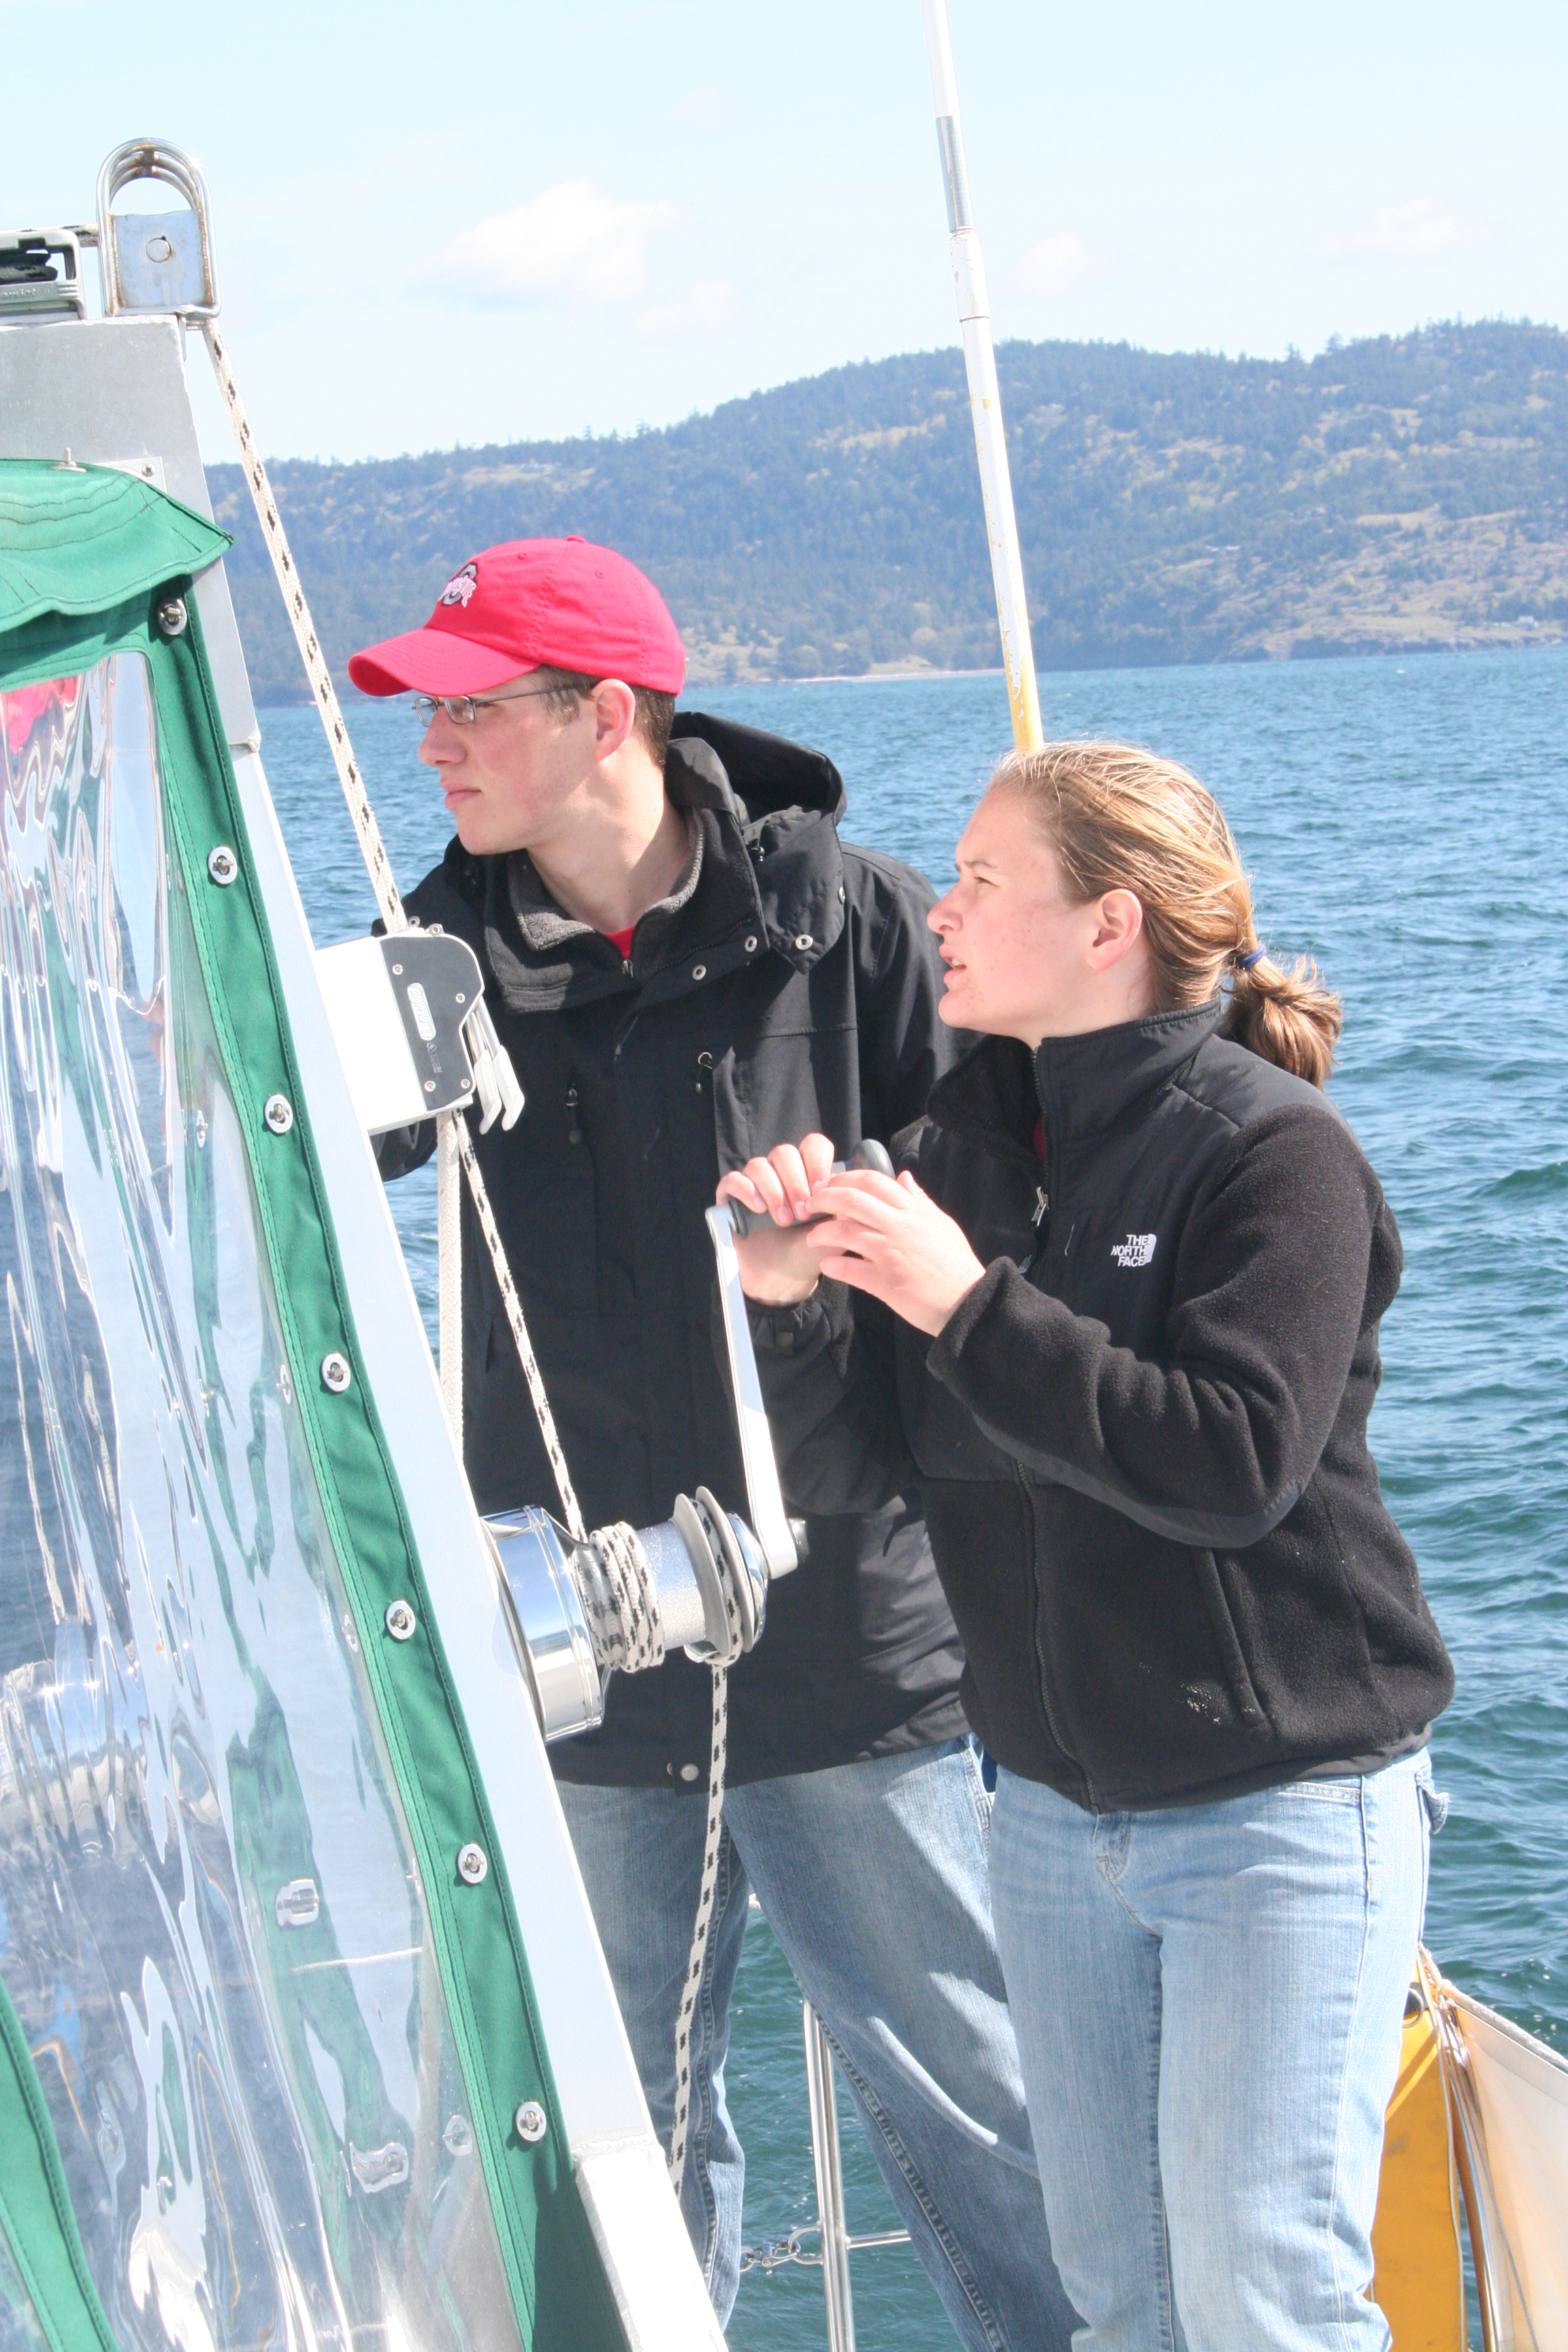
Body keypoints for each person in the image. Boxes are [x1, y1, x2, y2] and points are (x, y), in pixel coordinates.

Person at [348, 540, 1075, 2349]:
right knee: (619, 2132)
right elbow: (287, 1171)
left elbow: (1006, 1215)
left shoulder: (856, 921)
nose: (430, 745)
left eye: (469, 707)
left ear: (607, 716)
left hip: (845, 1622)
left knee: (973, 2098)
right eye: (427, 712)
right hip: (575, 1637)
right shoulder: (421, 971)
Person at [723, 738, 1456, 2352]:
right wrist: (787, 1296)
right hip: (1054, 1818)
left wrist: (964, 1301)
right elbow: (873, 1463)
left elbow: (1234, 1461)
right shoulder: (955, 1155)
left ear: (1111, 926)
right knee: (1120, 2304)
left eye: (984, 881)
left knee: (1265, 2296)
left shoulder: (1273, 1155)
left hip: (1281, 1809)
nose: (942, 910)